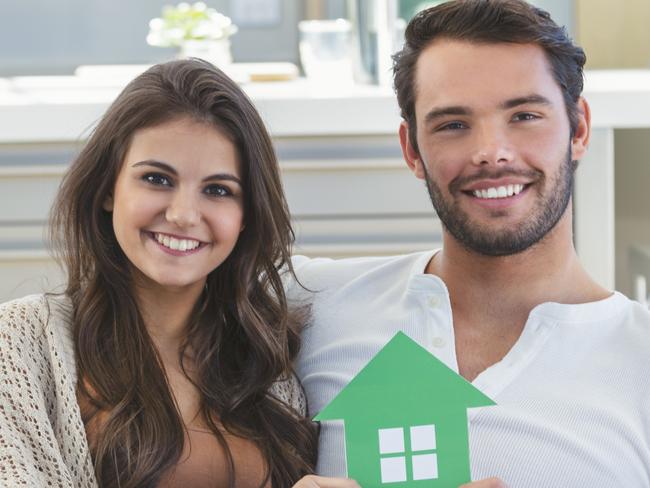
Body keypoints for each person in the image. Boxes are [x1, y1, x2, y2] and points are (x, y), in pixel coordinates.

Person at [289, 1, 650, 487]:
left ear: (578, 129)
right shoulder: (313, 301)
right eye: (453, 125)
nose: (491, 153)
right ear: (412, 149)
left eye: (523, 115)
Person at [0, 59, 325, 488]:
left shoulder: (273, 363)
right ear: (106, 190)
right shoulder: (20, 343)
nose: (183, 215)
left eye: (218, 190)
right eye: (156, 179)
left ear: (246, 215)